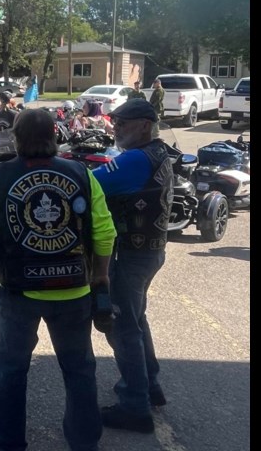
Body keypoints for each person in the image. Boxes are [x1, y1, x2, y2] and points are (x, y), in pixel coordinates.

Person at [0, 108, 116, 451]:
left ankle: (8, 439)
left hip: (19, 289)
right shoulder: (81, 173)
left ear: (16, 139)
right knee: (79, 370)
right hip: (74, 287)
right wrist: (101, 276)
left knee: (11, 370)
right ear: (55, 135)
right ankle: (84, 441)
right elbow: (105, 229)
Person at [91, 99, 173, 434]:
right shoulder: (158, 153)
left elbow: (88, 182)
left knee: (121, 326)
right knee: (137, 319)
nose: (116, 127)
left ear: (144, 124)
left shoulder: (135, 160)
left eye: (123, 122)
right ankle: (149, 385)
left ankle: (134, 405)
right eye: (115, 121)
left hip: (128, 255)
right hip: (150, 251)